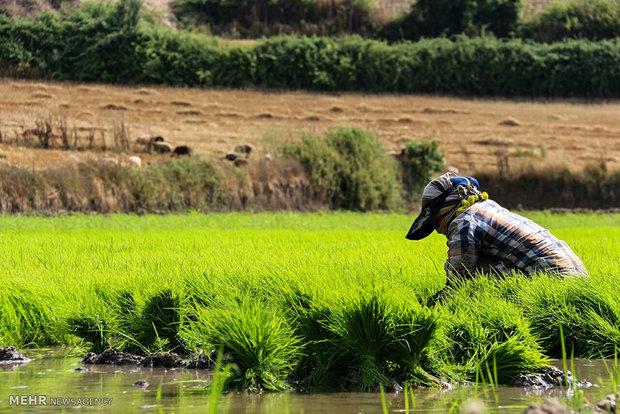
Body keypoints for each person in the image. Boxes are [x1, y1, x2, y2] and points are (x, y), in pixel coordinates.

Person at [405, 172, 588, 300]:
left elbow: (458, 282)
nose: (437, 229)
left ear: (446, 205)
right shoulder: (490, 208)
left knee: (473, 276)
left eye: (435, 220)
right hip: (581, 282)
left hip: (552, 282)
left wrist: (425, 308)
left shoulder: (463, 222)